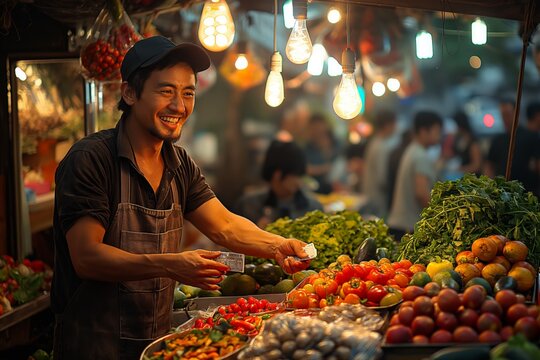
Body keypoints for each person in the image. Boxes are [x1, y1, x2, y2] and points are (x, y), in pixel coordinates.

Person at [51, 36, 310, 360]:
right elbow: (87, 257)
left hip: (156, 346)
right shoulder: (91, 159)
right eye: (165, 91)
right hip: (93, 348)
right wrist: (170, 265)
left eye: (188, 93)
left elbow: (224, 225)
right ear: (129, 93)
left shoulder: (180, 164)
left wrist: (277, 246)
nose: (179, 105)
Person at [234, 140, 322, 228]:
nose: (299, 181)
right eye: (296, 175)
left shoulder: (313, 210)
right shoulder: (248, 206)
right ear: (277, 175)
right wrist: (256, 233)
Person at [388, 111, 443, 241]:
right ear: (424, 131)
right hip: (408, 227)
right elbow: (421, 193)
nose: (439, 136)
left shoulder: (412, 150)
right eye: (437, 131)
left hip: (399, 224)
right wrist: (440, 215)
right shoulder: (421, 156)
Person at [484, 98, 540, 196]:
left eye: (507, 114)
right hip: (503, 193)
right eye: (502, 115)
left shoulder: (531, 136)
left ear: (516, 113)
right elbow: (489, 165)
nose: (504, 118)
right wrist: (491, 185)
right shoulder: (498, 140)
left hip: (527, 193)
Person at [361, 110, 397, 218]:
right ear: (387, 126)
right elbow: (382, 179)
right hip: (377, 198)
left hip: (370, 194)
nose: (395, 128)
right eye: (394, 124)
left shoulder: (375, 142)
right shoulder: (381, 147)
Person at [304, 113, 343, 194]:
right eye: (314, 127)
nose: (317, 130)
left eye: (319, 126)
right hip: (316, 191)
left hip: (337, 190)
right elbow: (304, 169)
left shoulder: (337, 144)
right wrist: (324, 169)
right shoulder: (307, 148)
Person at [450, 111, 482, 175]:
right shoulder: (458, 138)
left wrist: (459, 169)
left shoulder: (473, 142)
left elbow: (477, 165)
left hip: (472, 178)